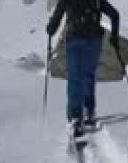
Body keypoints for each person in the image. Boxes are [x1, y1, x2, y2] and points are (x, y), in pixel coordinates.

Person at [46, 0, 120, 142]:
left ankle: (75, 118)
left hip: (75, 39)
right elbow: (115, 15)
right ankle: (89, 111)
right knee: (88, 74)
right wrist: (114, 38)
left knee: (75, 77)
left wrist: (50, 28)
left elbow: (55, 23)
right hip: (94, 41)